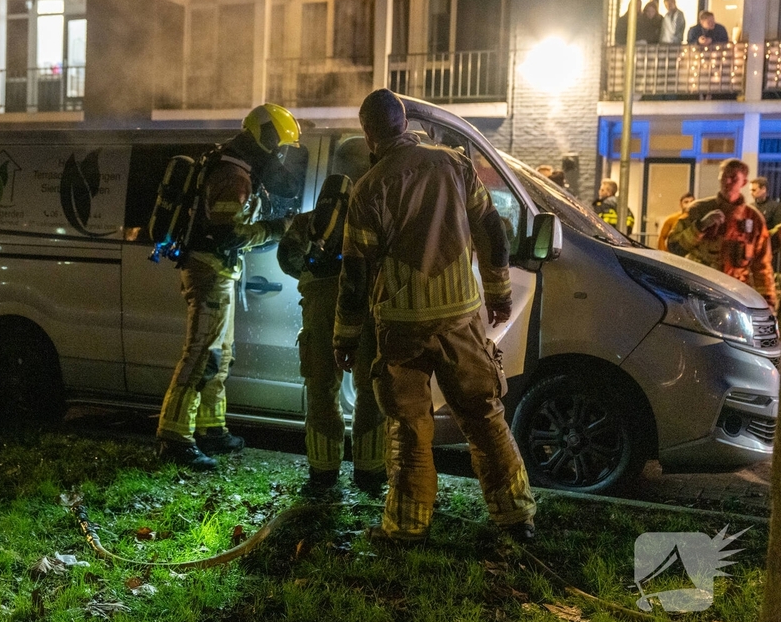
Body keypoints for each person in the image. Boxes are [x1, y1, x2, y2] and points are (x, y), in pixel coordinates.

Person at [334, 89, 536, 544]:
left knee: (408, 427)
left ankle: (406, 526)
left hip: (401, 326)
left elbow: (355, 274)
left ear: (369, 134)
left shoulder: (368, 189)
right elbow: (492, 230)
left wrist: (344, 338)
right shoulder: (455, 164)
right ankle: (516, 516)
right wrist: (499, 292)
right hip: (459, 319)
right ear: (403, 122)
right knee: (485, 416)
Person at [156, 103, 299, 469]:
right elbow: (228, 232)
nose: (281, 156)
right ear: (266, 140)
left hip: (220, 272)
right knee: (200, 353)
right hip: (209, 272)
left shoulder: (237, 167)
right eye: (280, 147)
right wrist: (277, 229)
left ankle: (211, 428)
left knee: (220, 356)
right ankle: (175, 437)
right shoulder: (233, 177)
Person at [277, 174, 386, 496]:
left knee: (322, 386)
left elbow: (286, 259)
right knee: (369, 389)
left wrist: (312, 278)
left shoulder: (306, 223)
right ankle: (370, 471)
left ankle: (323, 472)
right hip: (362, 308)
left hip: (318, 309)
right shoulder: (369, 220)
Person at [668, 159, 777, 310]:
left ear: (743, 182)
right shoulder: (699, 209)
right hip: (699, 296)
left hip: (736, 299)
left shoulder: (754, 219)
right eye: (724, 176)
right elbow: (674, 247)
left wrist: (768, 304)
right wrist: (700, 226)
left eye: (733, 178)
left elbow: (762, 267)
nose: (727, 181)